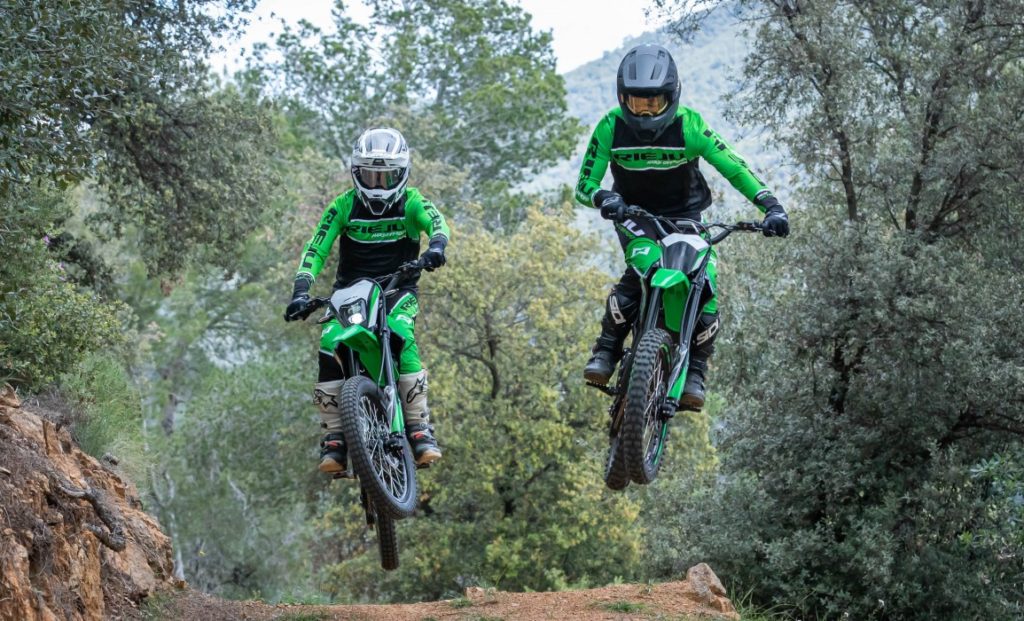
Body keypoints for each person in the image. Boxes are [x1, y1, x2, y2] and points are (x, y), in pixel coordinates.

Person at [576, 44, 789, 410]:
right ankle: (607, 349)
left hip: (686, 216)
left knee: (707, 280)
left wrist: (771, 205)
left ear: (671, 96)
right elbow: (584, 185)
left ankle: (696, 371)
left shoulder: (690, 126)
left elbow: (734, 167)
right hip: (634, 214)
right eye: (635, 102)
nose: (644, 110)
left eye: (654, 101)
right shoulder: (611, 127)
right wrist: (603, 198)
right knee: (643, 264)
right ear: (621, 97)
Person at [284, 127, 449, 473]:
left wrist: (436, 247)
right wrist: (301, 289)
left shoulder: (413, 202)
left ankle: (418, 426)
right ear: (356, 173)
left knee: (401, 332)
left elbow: (437, 223)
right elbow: (316, 248)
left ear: (403, 174)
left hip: (398, 289)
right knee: (329, 343)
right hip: (350, 292)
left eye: (386, 177)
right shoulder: (343, 206)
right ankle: (334, 438)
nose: (377, 185)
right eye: (370, 176)